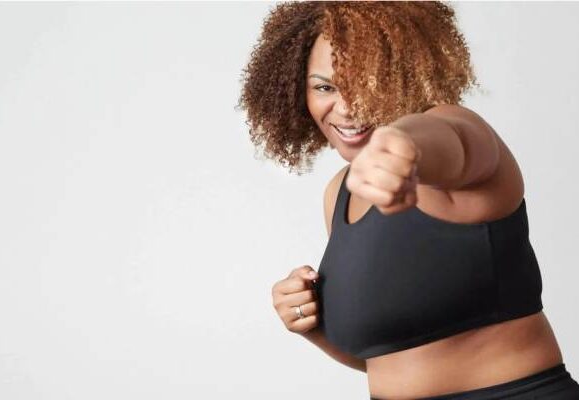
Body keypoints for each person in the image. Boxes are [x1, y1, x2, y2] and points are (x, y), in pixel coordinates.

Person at [236, 2, 579, 399]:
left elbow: (455, 143)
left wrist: (405, 144)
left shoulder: (457, 133)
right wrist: (311, 322)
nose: (346, 107)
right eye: (325, 87)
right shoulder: (339, 194)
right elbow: (391, 356)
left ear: (407, 77)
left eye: (367, 82)